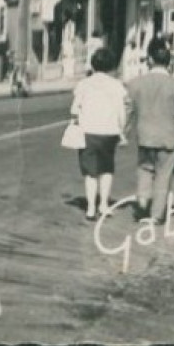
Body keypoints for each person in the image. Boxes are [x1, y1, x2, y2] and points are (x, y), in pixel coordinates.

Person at [127, 38, 174, 225]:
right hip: (168, 139)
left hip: (145, 137)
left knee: (144, 169)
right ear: (169, 62)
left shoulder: (135, 84)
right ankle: (156, 215)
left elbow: (128, 111)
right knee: (163, 176)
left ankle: (142, 198)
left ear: (149, 60)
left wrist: (123, 133)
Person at [69, 46, 132, 221]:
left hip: (88, 131)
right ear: (112, 66)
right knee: (106, 168)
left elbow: (75, 109)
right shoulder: (117, 86)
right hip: (109, 132)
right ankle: (103, 205)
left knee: (90, 172)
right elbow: (122, 111)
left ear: (93, 65)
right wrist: (122, 130)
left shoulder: (83, 84)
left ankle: (90, 208)